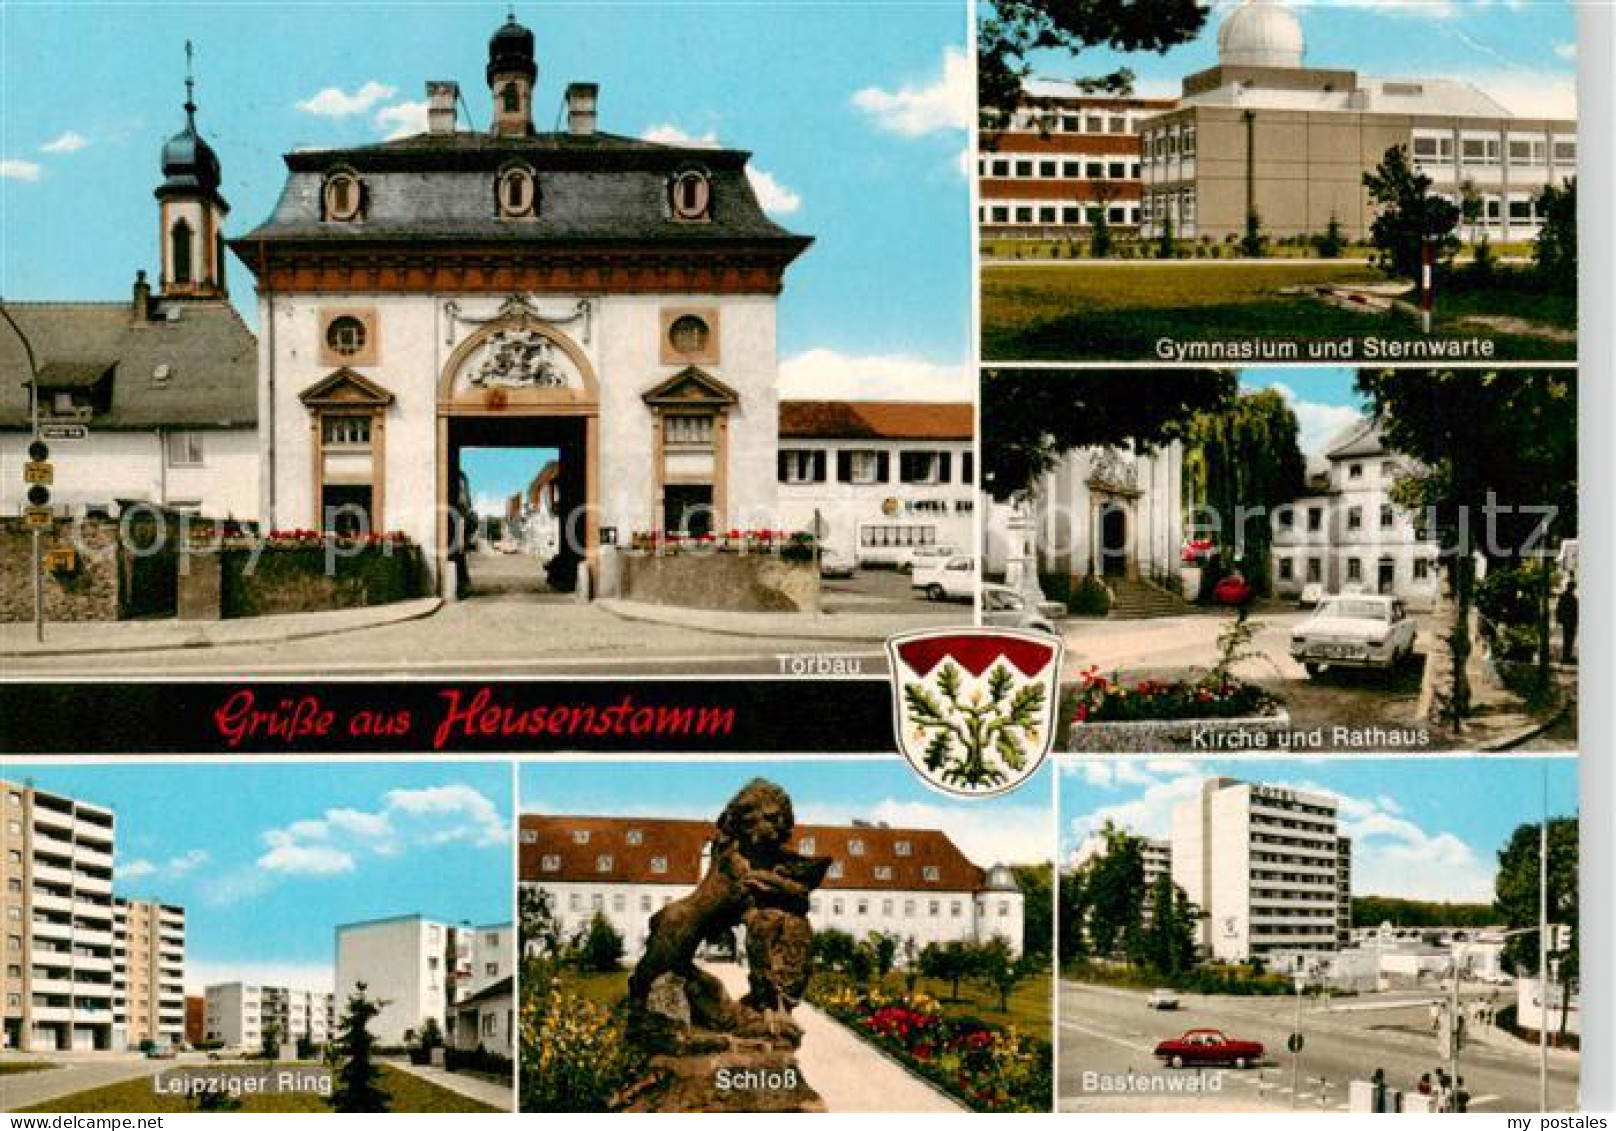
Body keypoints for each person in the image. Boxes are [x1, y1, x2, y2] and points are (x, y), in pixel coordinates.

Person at [1556, 584, 1578, 662]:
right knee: (1569, 639)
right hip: (1570, 622)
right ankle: (1566, 656)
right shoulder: (1572, 598)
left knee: (1568, 639)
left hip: (1568, 621)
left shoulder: (1565, 596)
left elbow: (1559, 608)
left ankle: (1567, 656)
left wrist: (1559, 619)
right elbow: (1575, 611)